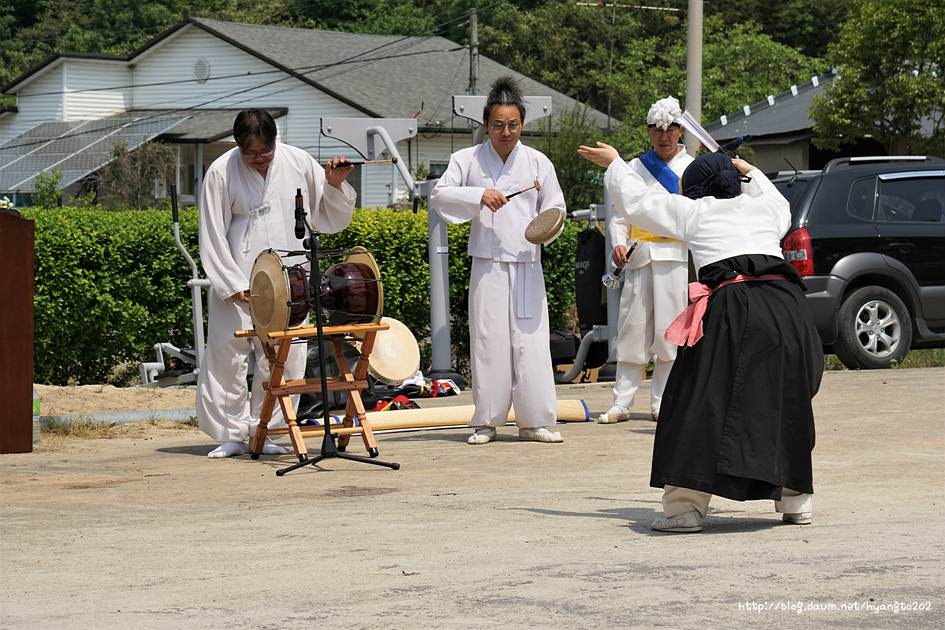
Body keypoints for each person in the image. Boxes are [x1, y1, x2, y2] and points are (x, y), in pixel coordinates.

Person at [578, 145, 823, 532]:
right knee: (784, 395)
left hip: (734, 305)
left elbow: (640, 202)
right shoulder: (766, 209)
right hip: (787, 307)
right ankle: (798, 501)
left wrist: (616, 164)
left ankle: (684, 508)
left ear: (696, 190)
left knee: (693, 400)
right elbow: (774, 196)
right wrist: (748, 169)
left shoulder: (695, 212)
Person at [197, 108, 356, 458]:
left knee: (286, 356)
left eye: (264, 152)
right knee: (229, 354)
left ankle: (267, 428)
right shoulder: (221, 171)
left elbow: (329, 215)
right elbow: (211, 232)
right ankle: (231, 433)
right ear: (238, 145)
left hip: (290, 279)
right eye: (250, 153)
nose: (257, 159)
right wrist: (230, 281)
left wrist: (334, 183)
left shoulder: (298, 160)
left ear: (275, 140)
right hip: (239, 277)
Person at [430, 76, 566, 445]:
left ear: (522, 124)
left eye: (513, 125)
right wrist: (480, 195)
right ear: (486, 125)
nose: (506, 132)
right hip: (488, 262)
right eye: (498, 125)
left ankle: (534, 421)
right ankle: (487, 421)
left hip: (526, 261)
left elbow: (556, 207)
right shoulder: (466, 159)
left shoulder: (538, 162)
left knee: (531, 341)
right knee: (488, 340)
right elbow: (440, 196)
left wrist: (542, 230)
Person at [598, 97, 693, 424]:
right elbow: (619, 217)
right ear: (648, 131)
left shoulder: (693, 169)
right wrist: (619, 242)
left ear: (680, 130)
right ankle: (621, 403)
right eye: (657, 129)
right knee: (631, 331)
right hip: (640, 257)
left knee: (670, 333)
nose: (663, 136)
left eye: (670, 129)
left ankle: (662, 402)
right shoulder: (634, 168)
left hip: (674, 259)